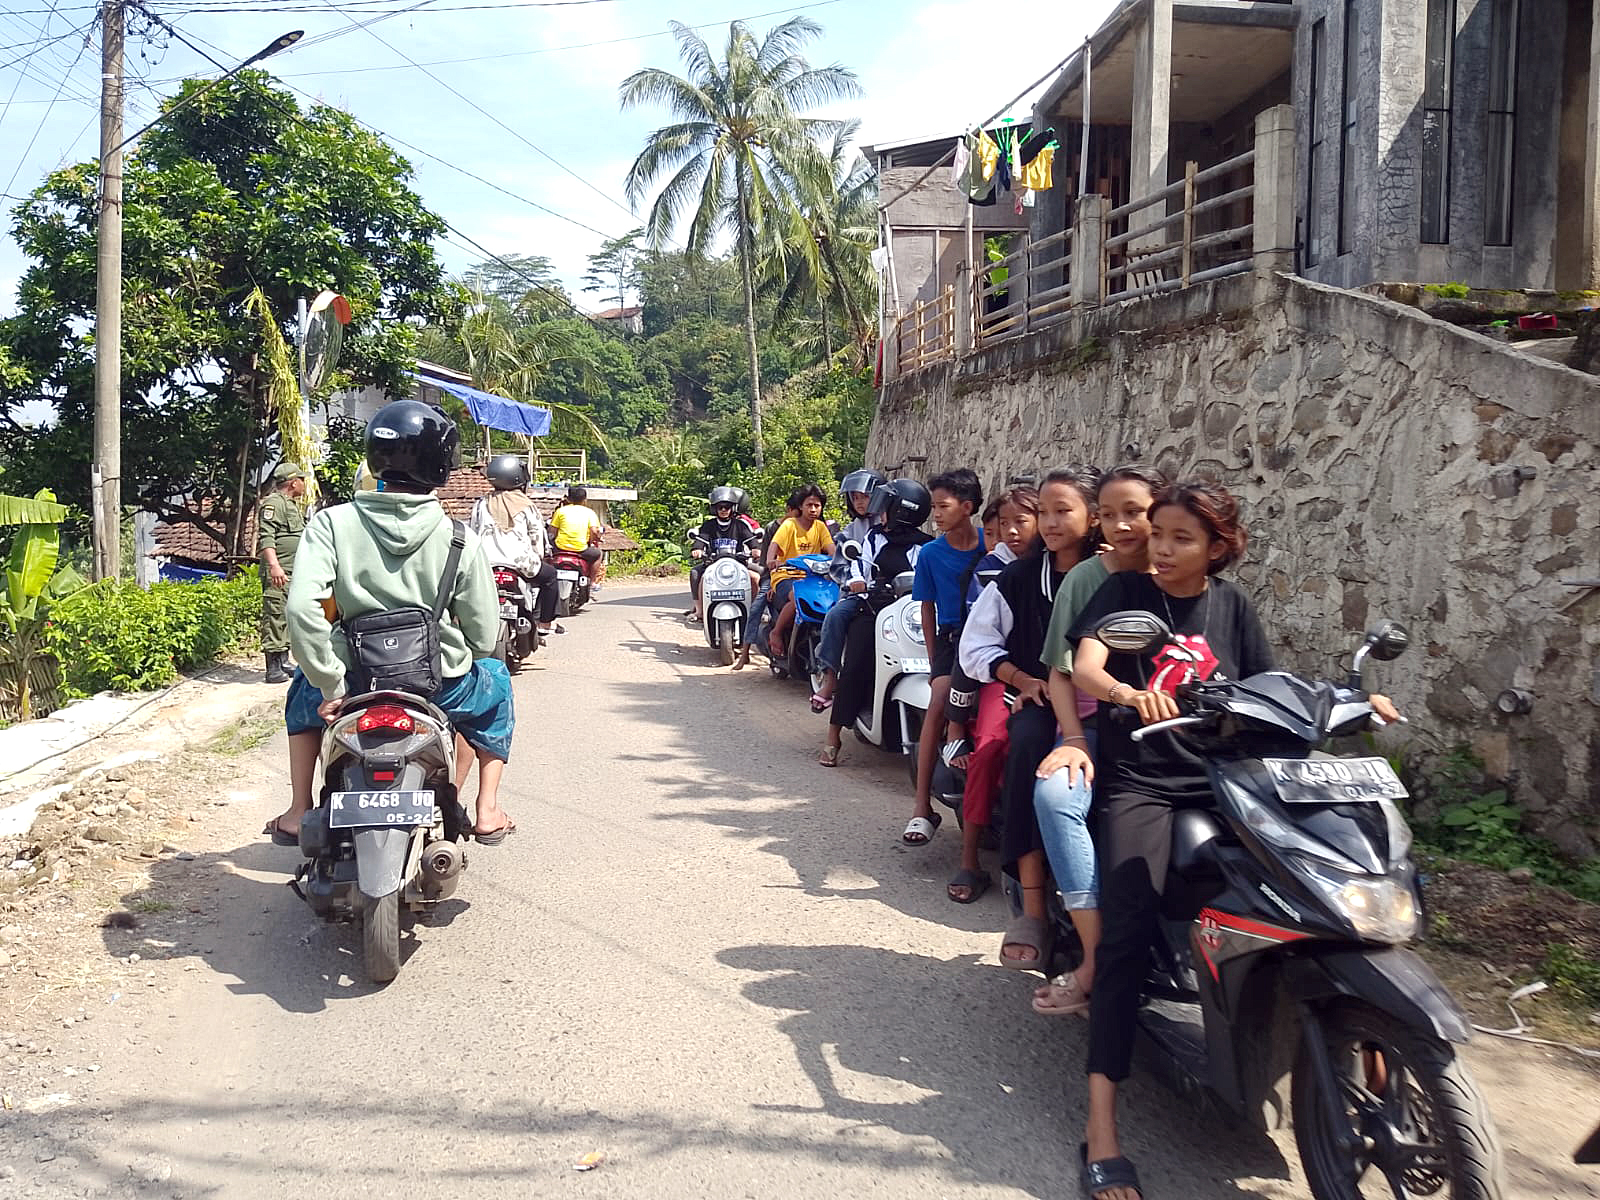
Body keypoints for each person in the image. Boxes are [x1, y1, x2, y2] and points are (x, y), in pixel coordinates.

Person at [1066, 478, 1403, 1200]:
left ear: (1219, 548)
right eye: (1158, 533)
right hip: (1145, 783)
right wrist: (1128, 694)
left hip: (1226, 780)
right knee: (1125, 937)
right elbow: (1088, 664)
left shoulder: (1232, 606)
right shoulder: (1124, 596)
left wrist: (1347, 700)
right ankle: (1101, 1128)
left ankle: (1370, 1049)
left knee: (1321, 898)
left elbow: (1269, 685)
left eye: (1180, 538)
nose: (1160, 548)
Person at [262, 401, 516, 848]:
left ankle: (299, 807)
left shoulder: (331, 524)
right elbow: (481, 635)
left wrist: (330, 684)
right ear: (442, 465)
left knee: (302, 696)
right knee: (496, 681)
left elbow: (304, 611)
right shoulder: (460, 537)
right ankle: (488, 809)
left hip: (353, 682)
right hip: (440, 685)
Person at [1029, 463, 1165, 1015]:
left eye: (1136, 512)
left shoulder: (1189, 576)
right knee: (1056, 797)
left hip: (1177, 740)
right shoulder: (1091, 580)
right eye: (1110, 515)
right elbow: (1064, 671)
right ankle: (1093, 959)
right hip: (1098, 727)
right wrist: (1075, 738)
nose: (1122, 525)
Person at [968, 467, 1100, 957]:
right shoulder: (1020, 576)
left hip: (1108, 703)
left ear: (1094, 515)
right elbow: (976, 645)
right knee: (1024, 743)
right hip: (1040, 698)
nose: (1049, 522)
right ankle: (1034, 908)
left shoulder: (1117, 573)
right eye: (1043, 511)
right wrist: (1023, 680)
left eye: (1062, 510)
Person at [819, 479, 932, 766]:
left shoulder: (926, 546)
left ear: (901, 511)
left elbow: (929, 577)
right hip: (873, 610)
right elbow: (859, 565)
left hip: (911, 617)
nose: (879, 512)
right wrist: (858, 580)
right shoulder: (873, 537)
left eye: (887, 507)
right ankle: (833, 735)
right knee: (857, 661)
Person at [903, 468, 984, 845]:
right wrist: (937, 663)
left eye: (942, 506)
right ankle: (921, 807)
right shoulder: (931, 554)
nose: (935, 514)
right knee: (938, 701)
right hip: (952, 641)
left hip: (989, 639)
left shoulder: (992, 545)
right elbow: (927, 609)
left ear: (967, 507)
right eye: (934, 506)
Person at [939, 492, 1030, 774]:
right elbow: (976, 619)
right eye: (994, 531)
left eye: (1020, 522)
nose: (1002, 537)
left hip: (1024, 655)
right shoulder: (989, 567)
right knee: (964, 663)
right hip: (984, 642)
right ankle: (954, 727)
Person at [811, 470, 886, 711]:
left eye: (865, 496)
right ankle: (830, 677)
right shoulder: (850, 531)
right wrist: (853, 582)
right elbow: (839, 567)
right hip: (861, 594)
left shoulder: (892, 523)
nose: (860, 502)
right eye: (855, 497)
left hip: (893, 593)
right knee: (835, 616)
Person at [736, 484, 833, 667]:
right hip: (781, 575)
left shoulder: (821, 527)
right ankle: (756, 645)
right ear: (798, 507)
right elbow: (772, 549)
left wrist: (839, 560)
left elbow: (831, 549)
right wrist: (772, 563)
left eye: (817, 505)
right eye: (808, 505)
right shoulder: (785, 525)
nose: (812, 509)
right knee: (758, 607)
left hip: (812, 577)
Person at [470, 453, 563, 639]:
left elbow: (473, 531)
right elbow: (537, 537)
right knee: (551, 576)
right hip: (521, 564)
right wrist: (539, 555)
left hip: (485, 564)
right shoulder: (527, 505)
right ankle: (544, 622)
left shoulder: (481, 504)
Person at [257, 463, 308, 684]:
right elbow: (266, 538)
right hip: (279, 570)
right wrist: (274, 566)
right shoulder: (273, 504)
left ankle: (284, 659)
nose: (304, 485)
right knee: (275, 614)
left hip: (291, 570)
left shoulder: (291, 504)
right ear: (293, 482)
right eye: (302, 480)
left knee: (287, 615)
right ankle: (273, 668)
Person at [689, 486, 762, 623]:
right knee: (698, 575)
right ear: (714, 509)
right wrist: (697, 550)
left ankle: (757, 609)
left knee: (757, 577)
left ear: (732, 508)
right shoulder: (709, 525)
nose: (723, 510)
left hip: (738, 564)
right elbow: (700, 540)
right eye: (720, 507)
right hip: (712, 564)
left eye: (727, 507)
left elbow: (752, 541)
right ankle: (700, 611)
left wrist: (756, 550)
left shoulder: (740, 525)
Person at [550, 484, 605, 591]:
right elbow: (594, 531)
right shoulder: (590, 513)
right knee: (598, 554)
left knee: (546, 555)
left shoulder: (560, 511)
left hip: (559, 548)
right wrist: (596, 538)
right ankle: (593, 582)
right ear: (585, 500)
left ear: (569, 499)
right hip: (581, 549)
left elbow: (552, 532)